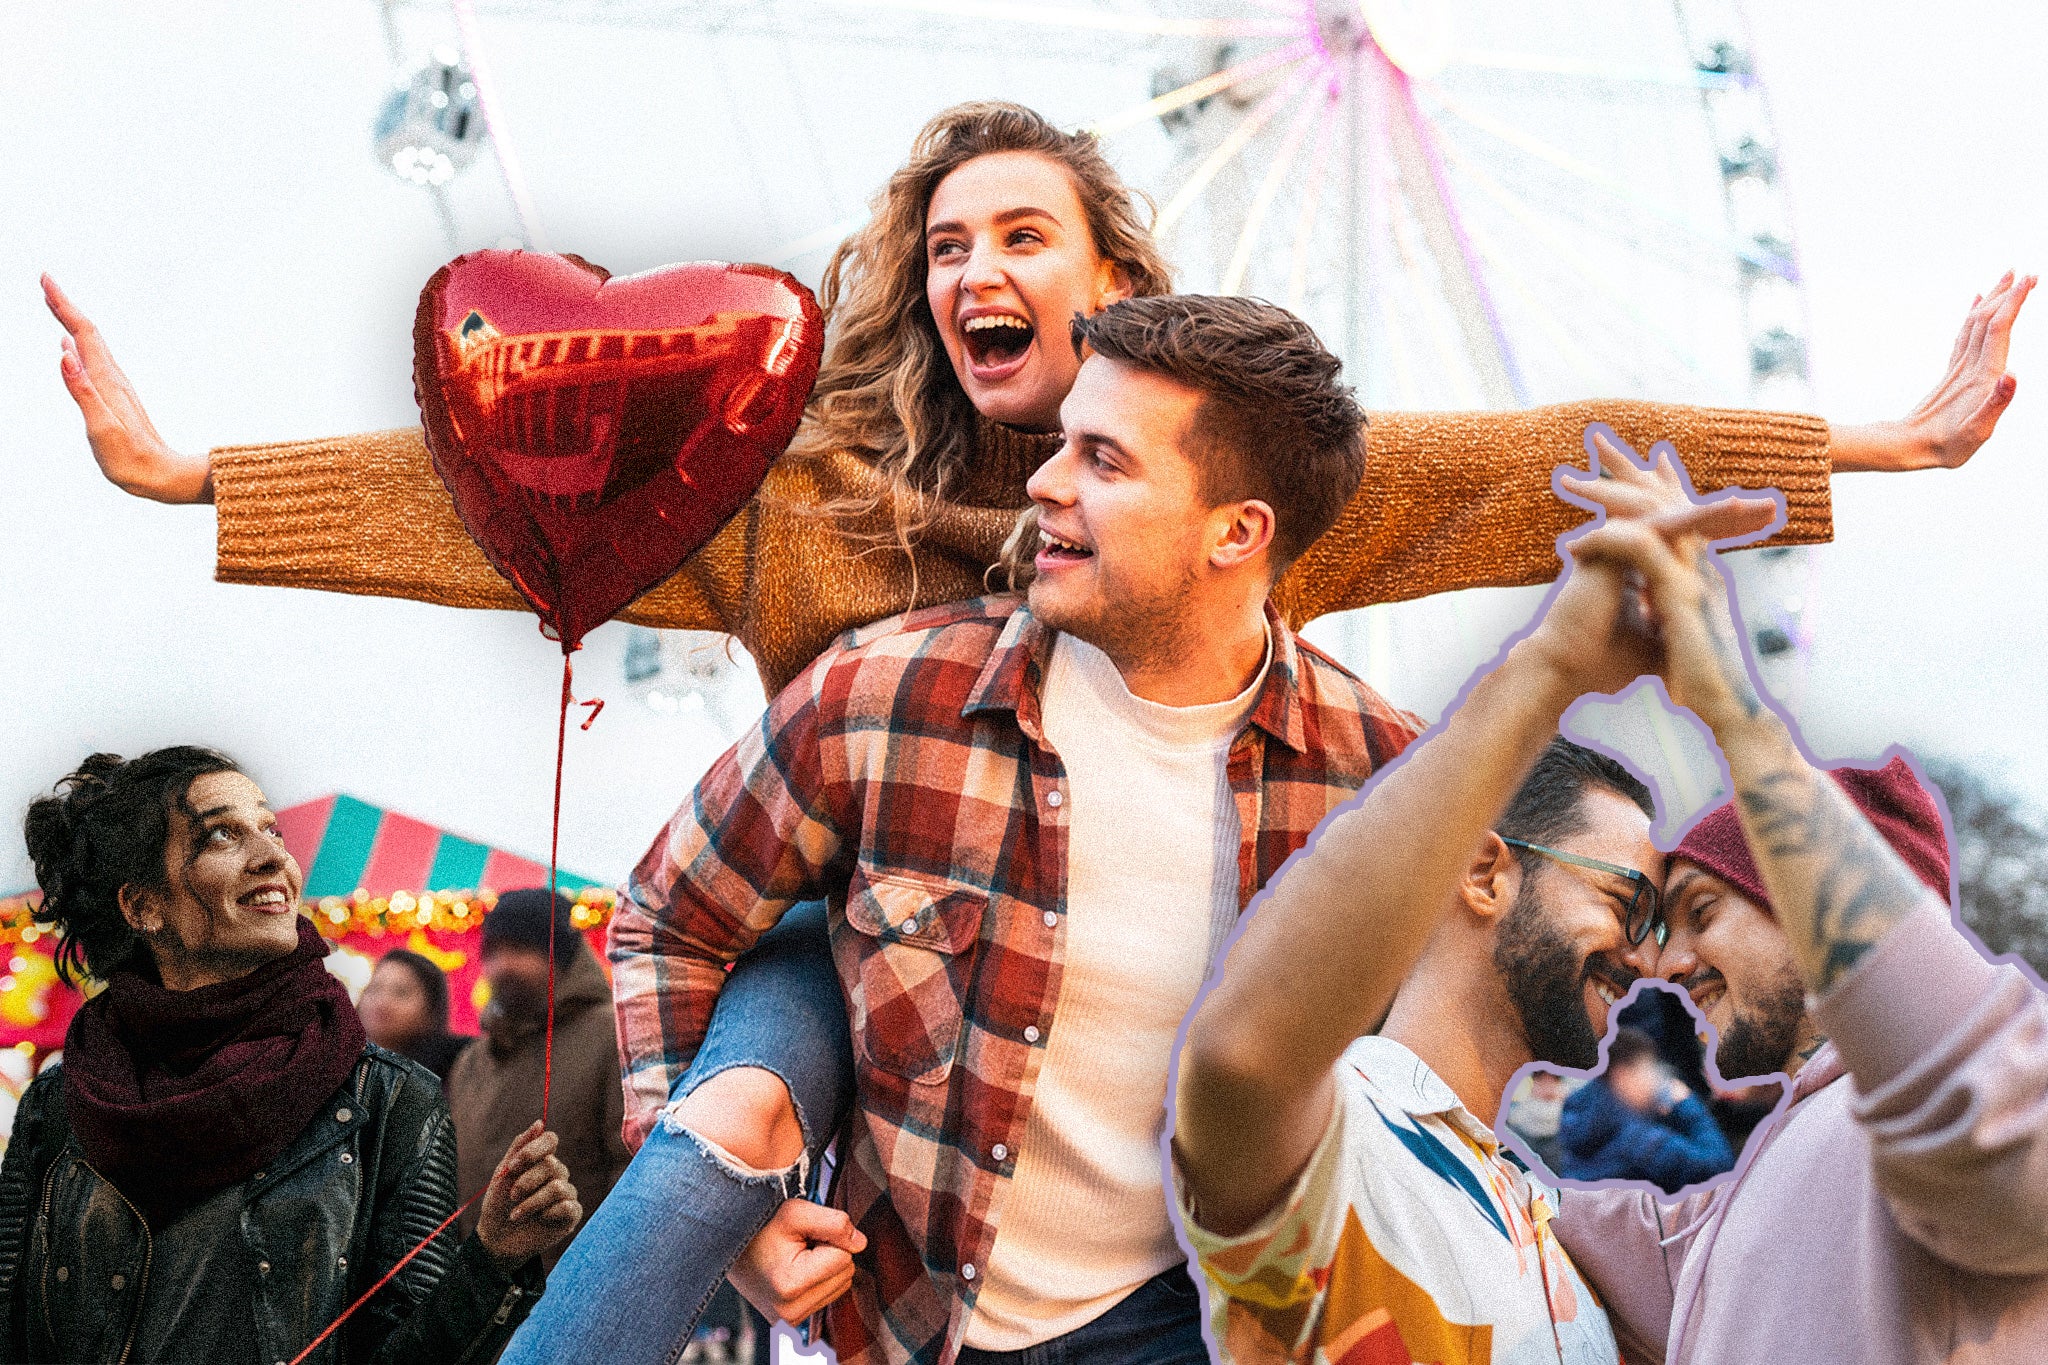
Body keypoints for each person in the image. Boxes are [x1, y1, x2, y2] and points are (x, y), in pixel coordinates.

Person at [43, 109, 2032, 698]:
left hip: (1150, 983)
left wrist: (1886, 443)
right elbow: (476, 500)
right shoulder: (791, 503)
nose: (976, 274)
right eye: (945, 246)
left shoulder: (1228, 476)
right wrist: (182, 477)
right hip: (867, 977)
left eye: (1022, 238)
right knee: (706, 1160)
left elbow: (1542, 459)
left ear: (1107, 281)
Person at [587, 294, 1429, 1365]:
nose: (1041, 482)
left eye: (1103, 461)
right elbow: (668, 918)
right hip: (906, 1324)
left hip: (1200, 1325)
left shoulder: (1385, 783)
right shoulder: (884, 696)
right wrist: (732, 1210)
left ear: (1238, 532)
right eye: (1059, 442)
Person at [1543, 486, 2048, 1360]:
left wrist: (1736, 714)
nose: (1670, 965)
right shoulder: (1758, 1177)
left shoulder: (1952, 1122)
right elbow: (1581, 1231)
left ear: (1810, 917)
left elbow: (1979, 1105)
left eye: (1702, 911)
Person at [3, 747, 583, 1365]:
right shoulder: (60, 1104)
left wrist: (493, 1258)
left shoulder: (389, 1102)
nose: (273, 856)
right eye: (223, 834)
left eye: (271, 830)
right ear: (144, 906)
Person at [447, 888, 632, 1271]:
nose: (503, 965)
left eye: (520, 949)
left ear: (561, 957)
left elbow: (630, 1166)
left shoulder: (610, 1034)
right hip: (483, 1293)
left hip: (579, 1284)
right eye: (493, 953)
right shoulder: (471, 1061)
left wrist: (608, 1271)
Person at [1555, 1026, 1733, 1192]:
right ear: (1623, 1074)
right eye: (1648, 1069)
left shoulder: (1584, 1118)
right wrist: (1687, 1107)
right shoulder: (1639, 1140)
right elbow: (1719, 1169)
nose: (1655, 1080)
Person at [358, 947, 471, 1083]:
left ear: (431, 1008)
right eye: (374, 989)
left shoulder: (458, 1065)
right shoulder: (337, 1063)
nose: (382, 1002)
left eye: (401, 993)